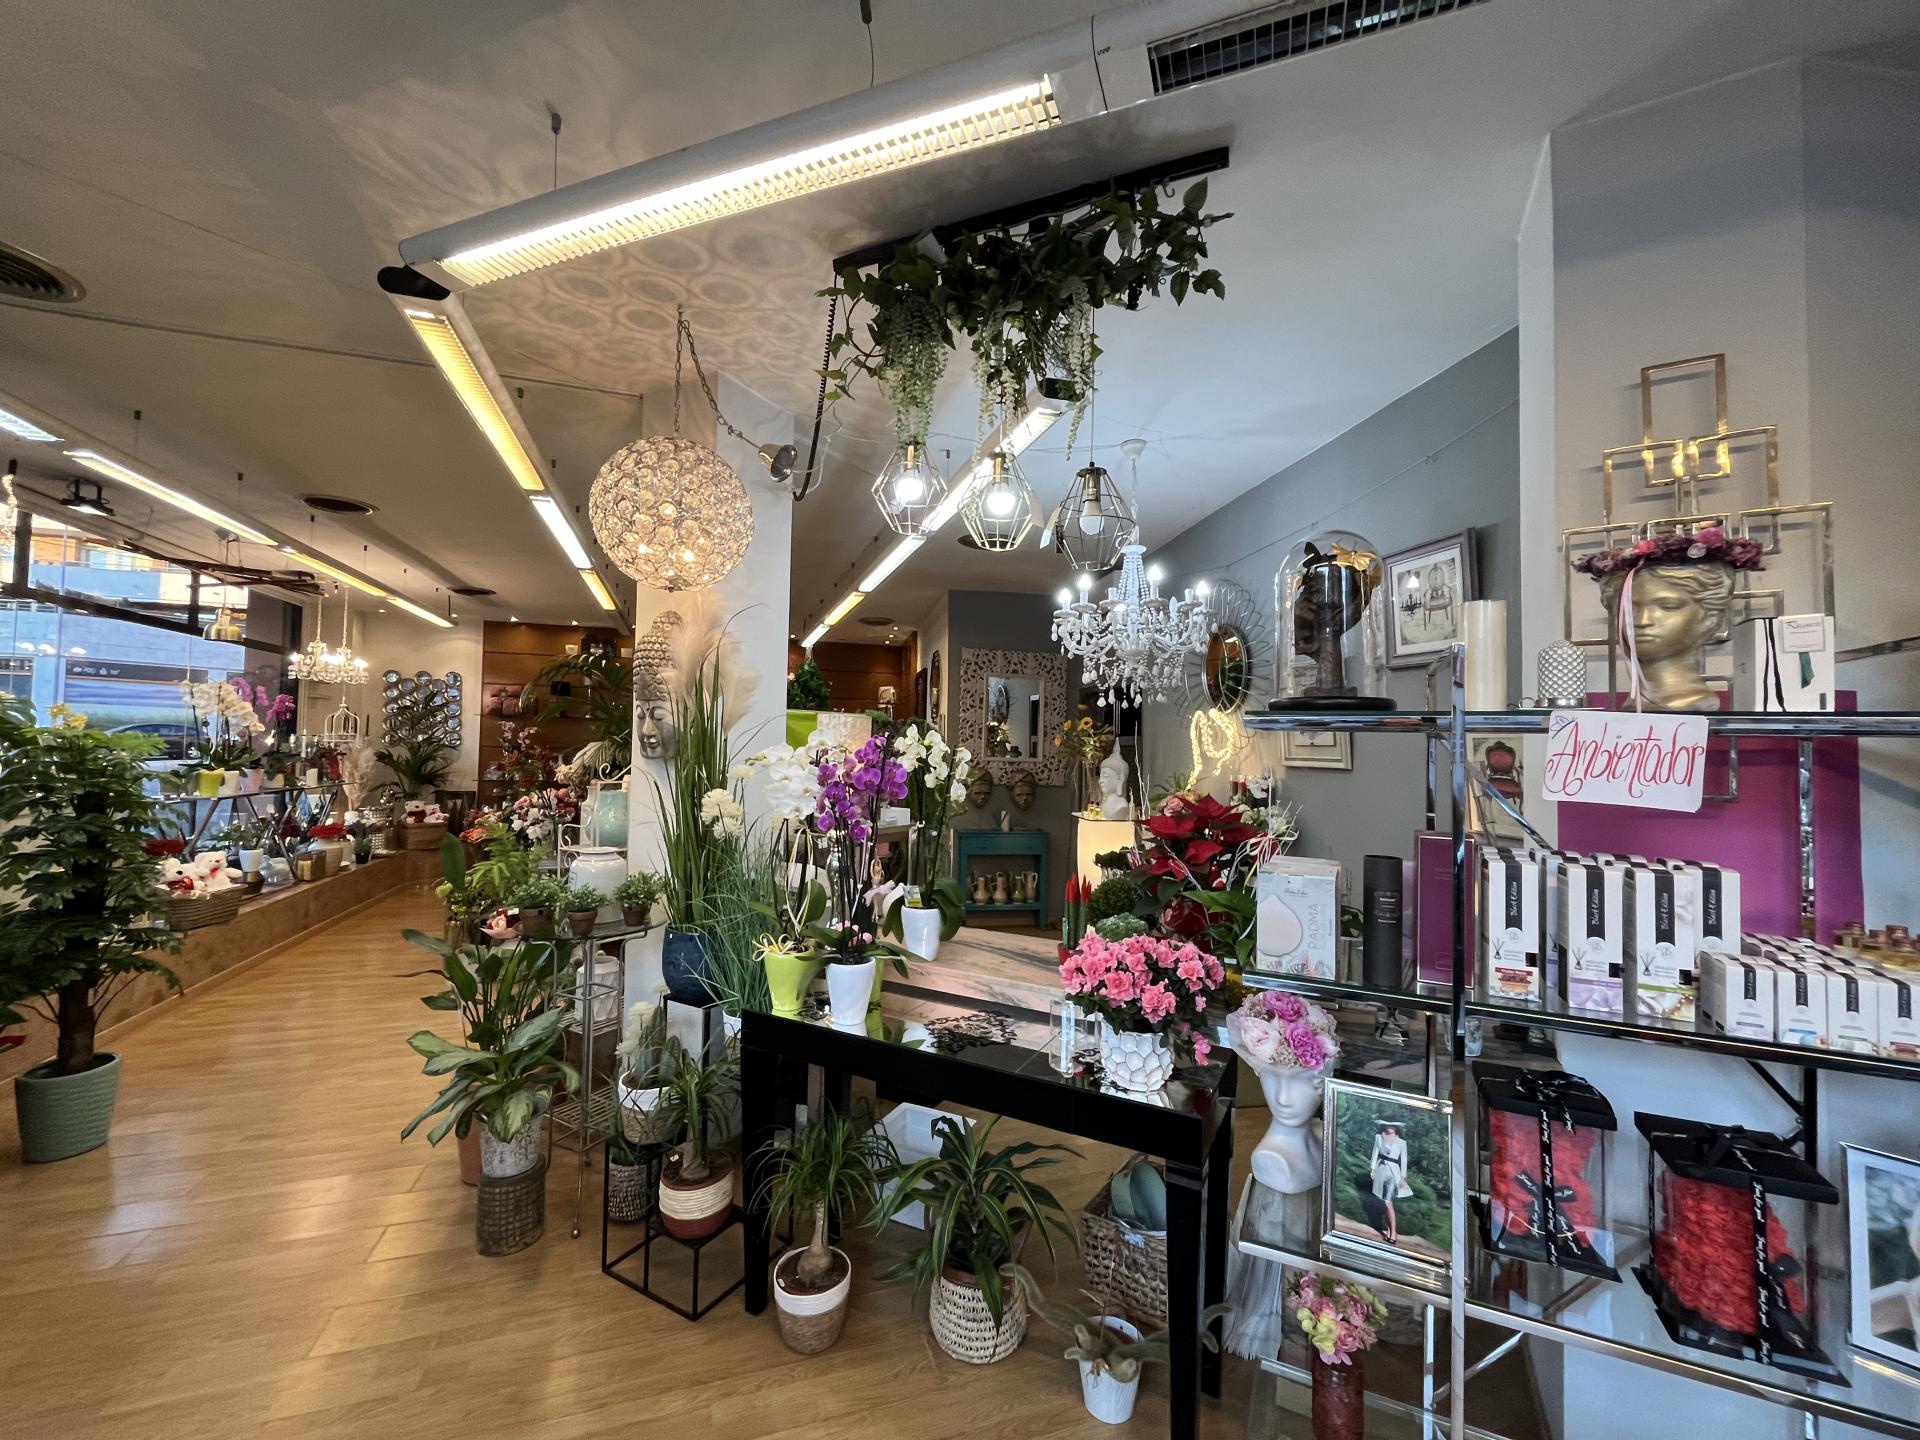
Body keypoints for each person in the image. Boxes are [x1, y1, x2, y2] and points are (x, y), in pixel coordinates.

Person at [1369, 1120, 1414, 1245]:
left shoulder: (1401, 1143)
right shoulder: (1379, 1137)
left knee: (1388, 1202)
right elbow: (1375, 1153)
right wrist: (1373, 1169)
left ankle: (1393, 1232)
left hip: (1394, 1174)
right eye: (1387, 1125)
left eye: (1392, 1125)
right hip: (1381, 1171)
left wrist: (1403, 1178)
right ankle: (1388, 1230)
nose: (1389, 1127)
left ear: (1396, 1127)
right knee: (1383, 1202)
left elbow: (1403, 1160)